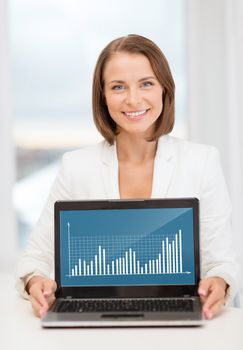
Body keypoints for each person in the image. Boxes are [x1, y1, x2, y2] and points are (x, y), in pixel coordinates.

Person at [16, 34, 240, 320]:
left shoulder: (202, 161)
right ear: (103, 96)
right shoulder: (76, 167)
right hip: (94, 322)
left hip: (177, 323)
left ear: (164, 89)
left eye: (146, 83)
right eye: (118, 86)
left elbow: (222, 262)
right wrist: (36, 282)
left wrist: (219, 281)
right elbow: (34, 258)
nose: (133, 99)